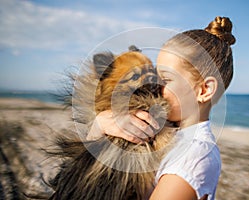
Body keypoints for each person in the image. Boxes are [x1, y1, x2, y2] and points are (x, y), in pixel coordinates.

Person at [87, 16, 236, 200]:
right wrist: (99, 125)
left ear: (204, 90)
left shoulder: (195, 157)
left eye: (165, 79)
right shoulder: (163, 130)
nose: (153, 84)